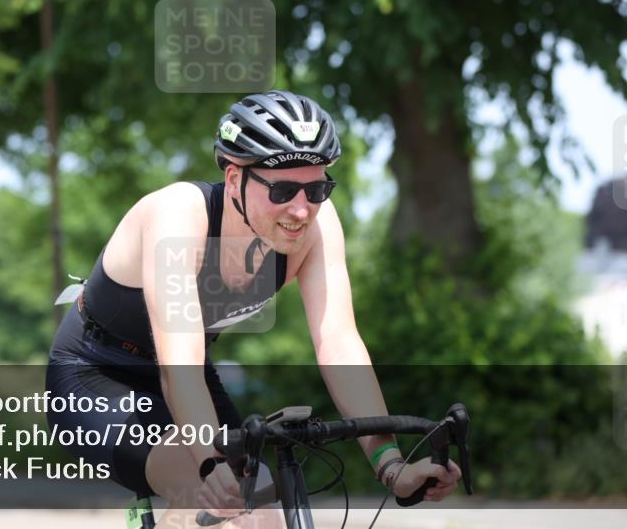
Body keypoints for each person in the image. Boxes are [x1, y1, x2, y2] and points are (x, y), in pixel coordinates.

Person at [46, 91, 462, 528]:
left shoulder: (316, 225)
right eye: (282, 190)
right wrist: (209, 463)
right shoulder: (177, 216)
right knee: (215, 505)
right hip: (98, 374)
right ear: (233, 179)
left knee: (262, 512)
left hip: (193, 376)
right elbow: (178, 367)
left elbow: (338, 341)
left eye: (317, 189)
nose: (301, 209)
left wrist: (391, 465)